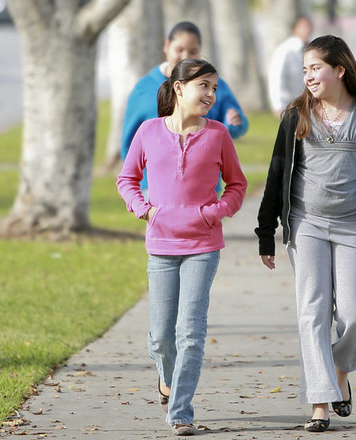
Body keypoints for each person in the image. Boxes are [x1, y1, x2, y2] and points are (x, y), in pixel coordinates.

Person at [255, 35, 356, 432]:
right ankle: (320, 402)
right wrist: (265, 230)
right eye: (305, 69)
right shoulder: (297, 115)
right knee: (314, 313)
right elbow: (277, 174)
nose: (308, 76)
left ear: (339, 69)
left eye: (315, 68)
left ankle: (340, 370)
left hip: (352, 225)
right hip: (306, 224)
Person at [117, 58, 247, 436]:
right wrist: (146, 211)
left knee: (190, 332)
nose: (211, 94)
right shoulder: (148, 131)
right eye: (203, 86)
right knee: (160, 336)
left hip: (203, 245)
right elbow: (127, 178)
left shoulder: (218, 134)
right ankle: (166, 379)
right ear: (179, 88)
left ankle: (181, 411)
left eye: (214, 88)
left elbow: (237, 185)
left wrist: (216, 212)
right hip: (160, 244)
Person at [121, 21, 248, 197]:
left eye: (193, 51)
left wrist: (234, 124)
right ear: (167, 46)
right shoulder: (143, 88)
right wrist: (143, 190)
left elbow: (235, 123)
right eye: (179, 49)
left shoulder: (214, 86)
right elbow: (129, 142)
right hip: (154, 190)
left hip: (205, 190)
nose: (185, 56)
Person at [268, 15, 313, 118]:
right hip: (291, 103)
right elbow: (277, 77)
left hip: (310, 103)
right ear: (294, 29)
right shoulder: (285, 50)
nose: (307, 30)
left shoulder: (313, 48)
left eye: (309, 26)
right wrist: (278, 105)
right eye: (304, 27)